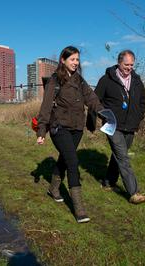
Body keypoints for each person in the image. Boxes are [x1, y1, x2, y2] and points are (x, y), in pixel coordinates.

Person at [36, 46, 103, 223]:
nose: (76, 63)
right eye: (72, 59)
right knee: (73, 161)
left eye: (77, 60)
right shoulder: (55, 80)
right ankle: (79, 208)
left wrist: (105, 113)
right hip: (60, 127)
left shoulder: (79, 80)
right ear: (63, 60)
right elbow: (46, 106)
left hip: (77, 128)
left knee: (65, 158)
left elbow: (92, 98)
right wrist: (42, 130)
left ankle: (53, 188)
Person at [93, 50, 145, 204]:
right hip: (112, 125)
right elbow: (95, 101)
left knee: (118, 155)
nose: (129, 68)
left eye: (131, 65)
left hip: (131, 126)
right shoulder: (106, 80)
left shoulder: (137, 80)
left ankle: (108, 182)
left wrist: (139, 116)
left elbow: (143, 100)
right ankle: (134, 192)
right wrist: (104, 116)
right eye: (126, 64)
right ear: (119, 63)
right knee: (123, 157)